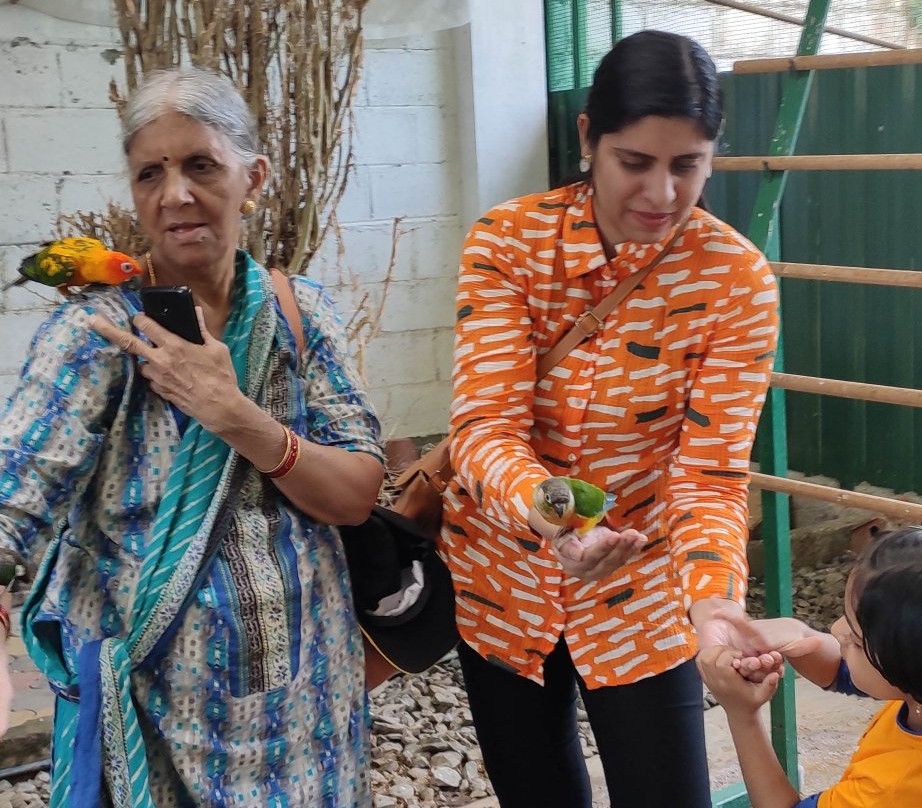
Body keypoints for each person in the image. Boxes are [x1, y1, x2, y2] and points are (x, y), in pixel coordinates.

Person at [0, 67, 384, 807]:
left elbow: (358, 494)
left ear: (254, 177)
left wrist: (233, 412)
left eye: (201, 165)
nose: (176, 194)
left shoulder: (299, 315)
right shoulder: (100, 334)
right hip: (159, 722)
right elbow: (18, 488)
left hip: (312, 707)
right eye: (152, 172)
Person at [439, 29, 780, 808]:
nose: (661, 195)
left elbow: (710, 473)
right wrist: (555, 516)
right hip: (505, 582)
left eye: (687, 165)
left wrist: (714, 599)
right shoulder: (509, 243)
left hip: (645, 592)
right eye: (636, 163)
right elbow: (484, 429)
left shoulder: (736, 282)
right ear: (590, 136)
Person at [698, 525, 922, 807]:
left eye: (854, 638)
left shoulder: (890, 789)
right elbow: (851, 674)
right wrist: (801, 636)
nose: (835, 629)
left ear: (905, 665)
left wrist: (743, 717)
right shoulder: (913, 691)